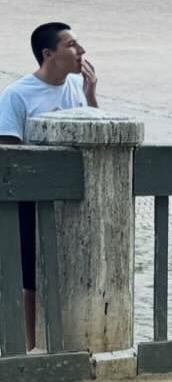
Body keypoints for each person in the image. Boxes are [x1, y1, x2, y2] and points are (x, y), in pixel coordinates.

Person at [0, 23, 99, 351]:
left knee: (73, 271)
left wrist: (90, 95)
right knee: (30, 277)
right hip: (32, 199)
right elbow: (10, 152)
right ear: (48, 54)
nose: (81, 50)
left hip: (73, 200)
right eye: (72, 45)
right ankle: (30, 345)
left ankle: (69, 339)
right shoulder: (18, 94)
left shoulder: (74, 87)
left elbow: (95, 134)